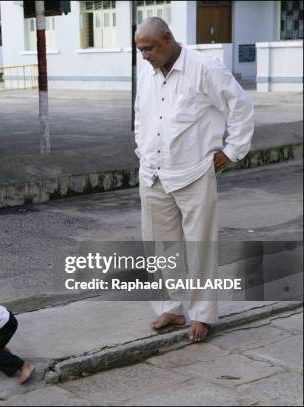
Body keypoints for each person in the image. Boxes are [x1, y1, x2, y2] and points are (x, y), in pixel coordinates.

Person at [133, 17, 254, 343]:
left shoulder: (204, 68)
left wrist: (232, 151)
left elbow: (240, 105)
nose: (144, 55)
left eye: (149, 48)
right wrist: (142, 151)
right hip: (153, 173)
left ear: (168, 38)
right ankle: (171, 308)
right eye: (140, 49)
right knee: (159, 248)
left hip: (194, 173)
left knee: (200, 248)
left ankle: (202, 315)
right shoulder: (146, 71)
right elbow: (141, 114)